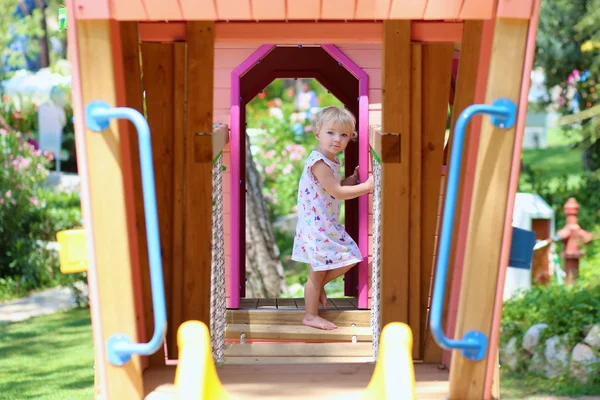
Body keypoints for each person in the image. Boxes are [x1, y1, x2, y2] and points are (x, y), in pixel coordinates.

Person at [291, 106, 373, 330]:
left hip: (324, 225)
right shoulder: (318, 162)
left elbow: (333, 188)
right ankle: (310, 315)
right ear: (317, 132)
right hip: (317, 227)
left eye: (344, 135)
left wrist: (352, 180)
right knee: (348, 258)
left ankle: (316, 288)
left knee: (340, 264)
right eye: (331, 133)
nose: (337, 139)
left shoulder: (331, 162)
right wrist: (366, 187)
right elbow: (337, 193)